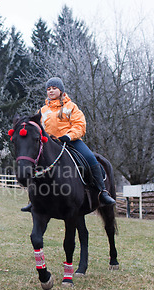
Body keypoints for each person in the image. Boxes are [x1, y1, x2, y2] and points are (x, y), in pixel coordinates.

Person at [21, 77, 115, 211]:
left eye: (54, 88)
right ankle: (33, 200)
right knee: (35, 163)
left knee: (90, 158)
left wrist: (68, 136)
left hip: (71, 141)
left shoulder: (71, 107)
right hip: (50, 144)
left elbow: (80, 125)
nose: (51, 91)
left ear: (61, 90)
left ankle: (102, 192)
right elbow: (38, 129)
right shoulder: (42, 111)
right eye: (48, 89)